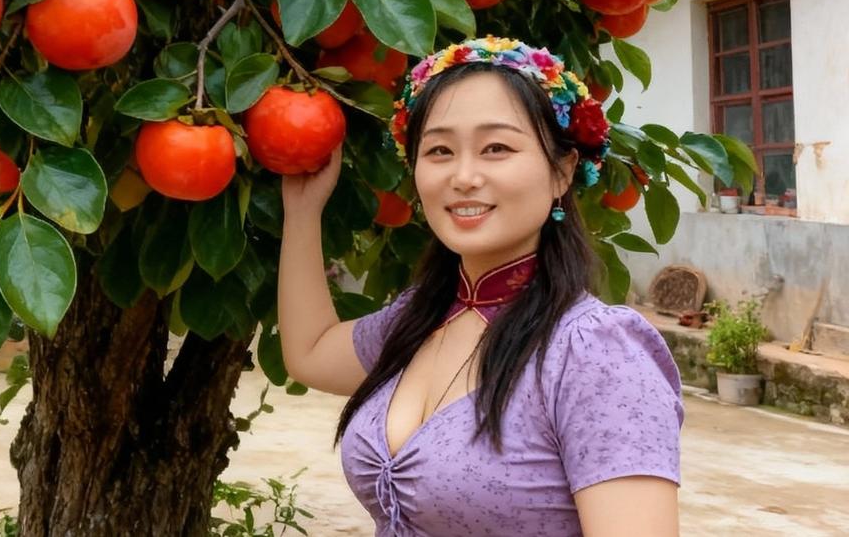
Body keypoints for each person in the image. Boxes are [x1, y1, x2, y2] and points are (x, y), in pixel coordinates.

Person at [279, 37, 683, 536]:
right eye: (440, 151)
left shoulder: (595, 353)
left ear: (562, 171)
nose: (463, 176)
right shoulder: (421, 319)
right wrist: (302, 210)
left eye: (497, 148)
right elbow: (311, 352)